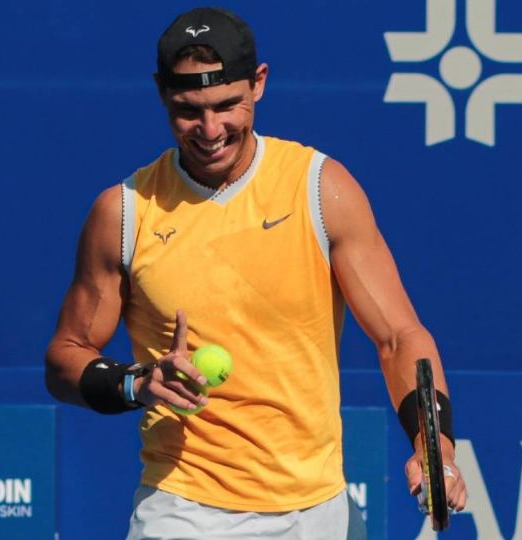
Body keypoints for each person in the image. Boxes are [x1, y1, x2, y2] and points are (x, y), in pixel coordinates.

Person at [45, 7, 467, 539]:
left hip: (319, 510)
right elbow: (66, 355)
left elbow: (399, 336)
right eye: (189, 110)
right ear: (161, 93)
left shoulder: (321, 189)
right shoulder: (124, 212)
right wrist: (137, 382)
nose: (210, 129)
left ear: (259, 84)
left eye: (227, 105)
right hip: (185, 507)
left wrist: (435, 447)